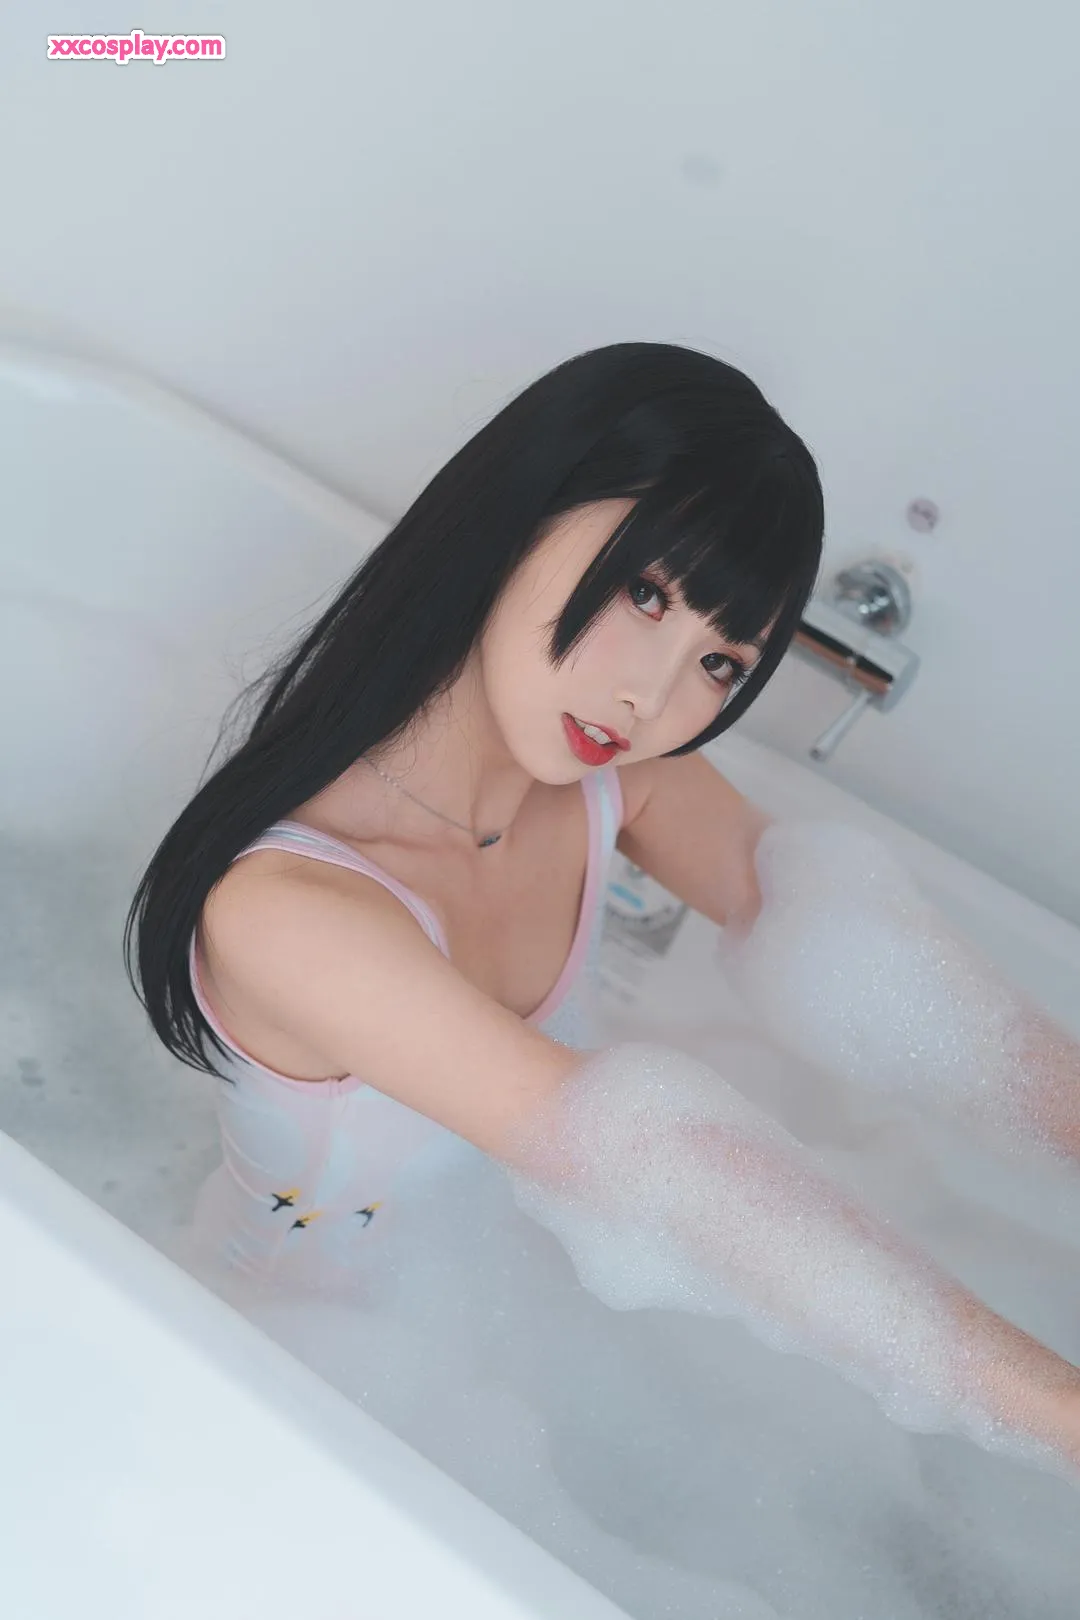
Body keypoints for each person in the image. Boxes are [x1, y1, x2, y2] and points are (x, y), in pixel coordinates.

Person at [124, 341, 1080, 1467]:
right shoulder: (290, 912)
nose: (650, 697)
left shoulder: (608, 778)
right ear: (521, 511)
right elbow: (658, 1172)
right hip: (285, 1376)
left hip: (495, 1312)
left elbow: (855, 948)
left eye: (721, 663)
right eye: (646, 593)